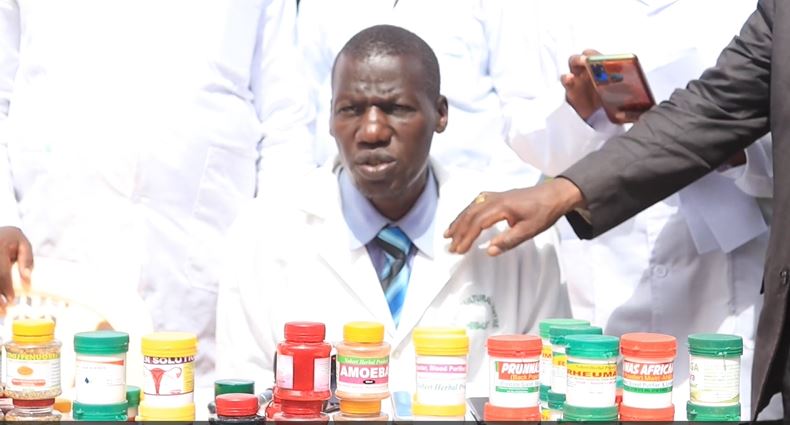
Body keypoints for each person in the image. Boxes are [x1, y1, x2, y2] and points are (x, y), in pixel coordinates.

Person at [445, 0, 789, 419]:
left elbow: (737, 115)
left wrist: (730, 151)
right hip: (607, 257)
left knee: (714, 396)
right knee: (600, 400)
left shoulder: (744, 8)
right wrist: (578, 110)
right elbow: (526, 136)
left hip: (722, 273)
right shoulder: (546, 12)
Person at [215, 25, 570, 399]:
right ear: (330, 118)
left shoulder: (515, 236)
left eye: (396, 108)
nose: (371, 131)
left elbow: (553, 397)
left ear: (440, 114)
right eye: (350, 110)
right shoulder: (264, 233)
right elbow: (244, 398)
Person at [0, 0, 315, 378]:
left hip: (202, 279)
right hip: (50, 271)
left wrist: (274, 252)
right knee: (51, 396)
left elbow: (287, 122)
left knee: (190, 399)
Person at [296, 0, 543, 186]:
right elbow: (300, 109)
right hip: (344, 211)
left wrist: (498, 200)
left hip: (469, 207)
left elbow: (524, 104)